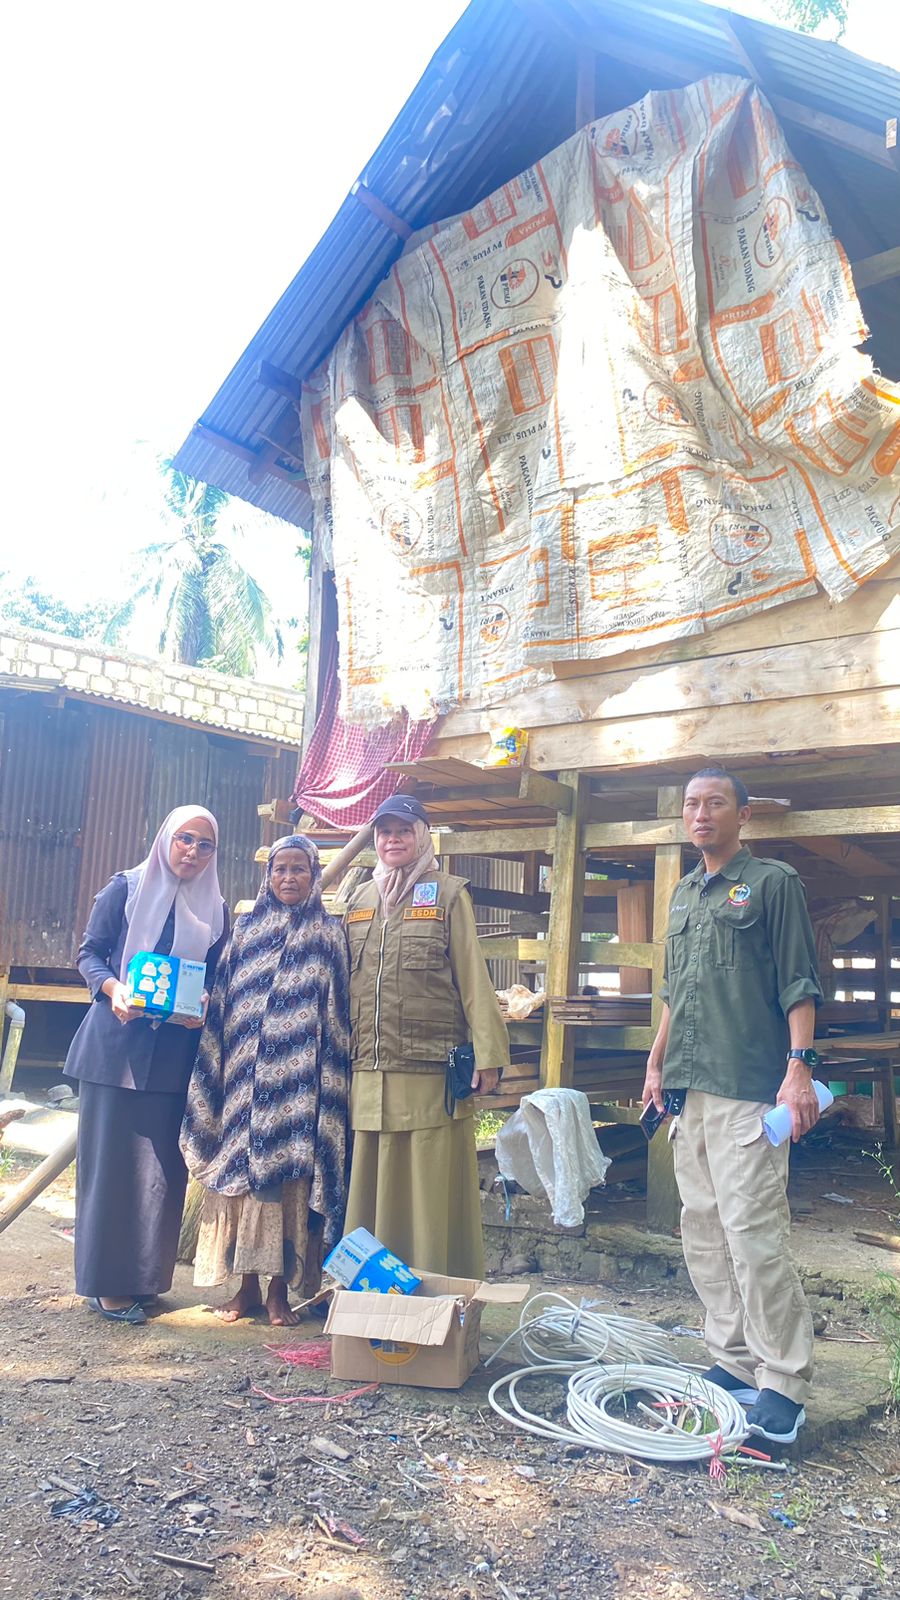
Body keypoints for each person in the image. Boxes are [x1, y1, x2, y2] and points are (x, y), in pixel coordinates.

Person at [642, 766, 823, 1445]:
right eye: (692, 803)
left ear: (742, 814)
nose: (701, 813)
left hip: (749, 1087)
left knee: (753, 1235)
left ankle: (784, 1382)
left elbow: (799, 982)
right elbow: (675, 991)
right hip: (689, 1087)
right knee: (704, 1231)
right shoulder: (685, 892)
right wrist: (656, 1063)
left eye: (716, 802)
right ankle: (734, 1360)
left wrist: (798, 1069)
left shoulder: (772, 883)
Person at [64, 806, 228, 1325]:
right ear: (165, 839)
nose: (193, 852)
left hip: (173, 1057)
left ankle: (145, 1281)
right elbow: (89, 954)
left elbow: (213, 976)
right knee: (110, 1168)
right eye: (185, 839)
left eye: (205, 845)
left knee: (160, 1173)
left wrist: (204, 1001)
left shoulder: (216, 909)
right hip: (115, 1051)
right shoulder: (125, 889)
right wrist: (113, 988)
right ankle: (106, 1286)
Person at [180, 835, 350, 1326]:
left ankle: (279, 1293)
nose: (289, 877)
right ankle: (245, 1290)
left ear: (314, 876)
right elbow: (223, 996)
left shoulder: (328, 934)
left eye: (299, 869)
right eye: (280, 869)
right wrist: (217, 1066)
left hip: (298, 1088)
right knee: (239, 1183)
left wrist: (330, 1079)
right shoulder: (246, 928)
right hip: (242, 1081)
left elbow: (337, 1013)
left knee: (285, 1184)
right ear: (268, 875)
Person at [344, 793, 508, 1278]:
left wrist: (488, 1053)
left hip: (428, 1073)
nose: (393, 840)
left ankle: (437, 1295)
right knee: (370, 1187)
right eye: (385, 832)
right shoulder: (359, 899)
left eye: (404, 831)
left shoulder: (448, 894)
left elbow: (473, 977)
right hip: (369, 1072)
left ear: (422, 836)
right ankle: (371, 1298)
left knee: (428, 1188)